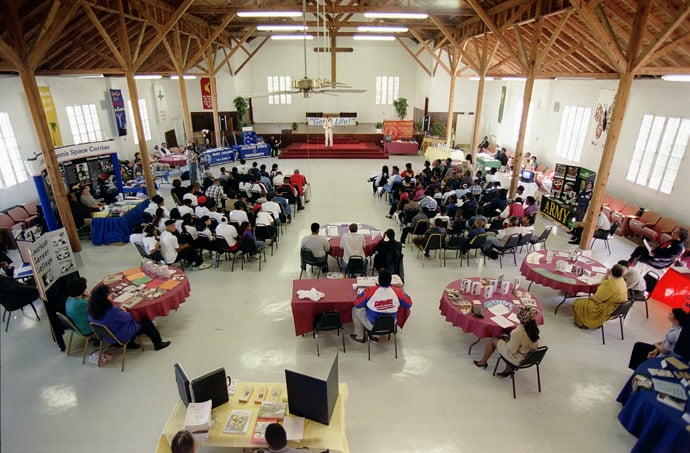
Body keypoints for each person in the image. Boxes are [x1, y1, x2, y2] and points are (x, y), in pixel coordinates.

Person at [88, 284, 170, 350]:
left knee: (121, 324)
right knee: (146, 323)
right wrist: (124, 311)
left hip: (106, 337)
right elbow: (128, 318)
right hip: (119, 336)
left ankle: (131, 344)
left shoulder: (91, 310)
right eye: (109, 294)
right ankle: (158, 343)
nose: (111, 296)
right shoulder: (112, 310)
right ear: (105, 298)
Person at [473, 306, 540, 376]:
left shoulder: (517, 332)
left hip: (518, 359)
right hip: (529, 357)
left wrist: (507, 340)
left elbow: (512, 350)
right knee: (505, 338)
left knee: (494, 339)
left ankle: (483, 362)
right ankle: (508, 369)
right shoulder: (535, 329)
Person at [350, 270, 412, 343]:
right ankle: (375, 337)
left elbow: (358, 304)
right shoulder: (397, 292)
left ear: (378, 280)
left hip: (372, 325)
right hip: (390, 324)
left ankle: (359, 336)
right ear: (390, 281)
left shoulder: (370, 291)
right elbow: (408, 304)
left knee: (355, 309)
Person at [573, 264, 628, 329]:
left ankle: (583, 323)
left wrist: (589, 297)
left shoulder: (609, 284)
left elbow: (596, 299)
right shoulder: (622, 281)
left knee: (578, 302)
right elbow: (604, 284)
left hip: (608, 309)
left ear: (611, 271)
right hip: (619, 308)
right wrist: (607, 274)